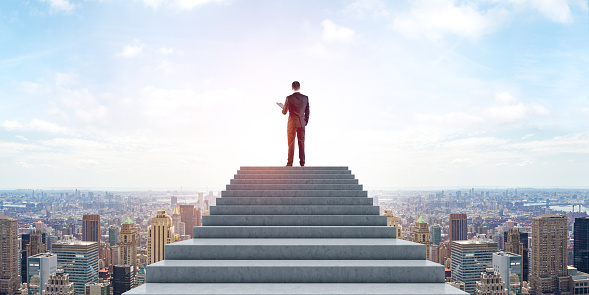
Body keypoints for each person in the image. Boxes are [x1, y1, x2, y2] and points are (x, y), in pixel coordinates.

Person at [277, 81, 309, 167]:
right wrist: (305, 122)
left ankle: (289, 163)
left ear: (292, 88)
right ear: (299, 87)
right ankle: (302, 163)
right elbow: (307, 111)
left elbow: (284, 112)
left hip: (291, 123)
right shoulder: (305, 98)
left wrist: (282, 106)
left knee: (291, 143)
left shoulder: (289, 98)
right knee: (301, 143)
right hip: (301, 123)